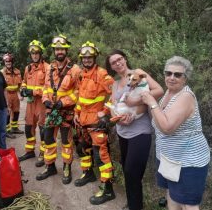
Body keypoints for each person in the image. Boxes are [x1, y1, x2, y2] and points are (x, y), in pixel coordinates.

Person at [140, 56, 210, 210]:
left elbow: (167, 127)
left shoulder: (185, 96)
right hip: (169, 158)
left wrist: (151, 102)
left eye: (177, 75)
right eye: (168, 73)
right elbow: (158, 119)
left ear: (185, 78)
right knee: (172, 195)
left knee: (188, 204)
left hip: (188, 162)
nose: (171, 77)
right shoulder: (169, 92)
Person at [105, 50, 164, 210]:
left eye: (119, 59)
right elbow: (112, 105)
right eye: (113, 62)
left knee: (132, 171)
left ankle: (135, 206)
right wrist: (116, 116)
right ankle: (133, 203)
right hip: (122, 132)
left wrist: (136, 100)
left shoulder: (138, 73)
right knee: (128, 171)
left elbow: (159, 90)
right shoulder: (115, 84)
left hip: (140, 132)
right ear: (111, 67)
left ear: (125, 59)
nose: (118, 63)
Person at [73, 41, 116, 205]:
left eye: (90, 57)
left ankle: (108, 190)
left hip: (96, 123)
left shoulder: (102, 74)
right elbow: (81, 98)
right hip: (82, 120)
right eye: (84, 58)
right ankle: (88, 173)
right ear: (81, 59)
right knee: (82, 149)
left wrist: (105, 113)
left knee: (101, 156)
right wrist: (77, 112)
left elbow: (116, 94)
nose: (87, 60)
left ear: (95, 58)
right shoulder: (82, 74)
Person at [36, 34, 81, 185]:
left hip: (66, 112)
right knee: (48, 140)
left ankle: (67, 167)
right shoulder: (50, 68)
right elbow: (46, 87)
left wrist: (64, 102)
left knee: (67, 143)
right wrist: (46, 100)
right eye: (57, 49)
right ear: (54, 51)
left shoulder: (75, 70)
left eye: (62, 49)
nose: (59, 51)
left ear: (66, 50)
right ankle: (50, 167)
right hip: (51, 112)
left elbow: (79, 91)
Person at [18, 40, 49, 167]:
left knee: (43, 129)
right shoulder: (28, 68)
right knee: (28, 127)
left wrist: (34, 91)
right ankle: (30, 151)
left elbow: (49, 88)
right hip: (30, 103)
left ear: (41, 53)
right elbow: (24, 81)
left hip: (42, 103)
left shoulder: (48, 68)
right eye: (32, 53)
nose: (35, 55)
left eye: (37, 53)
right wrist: (24, 89)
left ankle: (43, 153)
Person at [0, 53, 24, 139]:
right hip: (6, 94)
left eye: (9, 61)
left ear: (12, 62)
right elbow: (0, 87)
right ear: (4, 62)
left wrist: (20, 94)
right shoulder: (1, 73)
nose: (8, 63)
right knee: (7, 112)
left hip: (15, 95)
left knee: (16, 111)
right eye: (6, 62)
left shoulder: (17, 71)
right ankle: (7, 131)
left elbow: (20, 84)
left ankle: (14, 128)